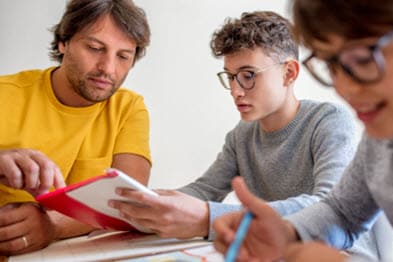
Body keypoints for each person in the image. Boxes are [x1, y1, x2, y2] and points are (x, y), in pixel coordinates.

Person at [213, 0, 393, 261]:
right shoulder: (384, 138)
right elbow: (342, 211)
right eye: (330, 65)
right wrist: (287, 233)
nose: (345, 88)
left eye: (363, 58)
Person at [109, 11, 378, 260]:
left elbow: (326, 203)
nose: (236, 91)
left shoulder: (328, 120)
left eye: (248, 76)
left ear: (289, 73)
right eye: (231, 77)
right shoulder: (241, 135)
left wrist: (208, 217)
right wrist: (149, 204)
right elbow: (205, 190)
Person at [0, 0, 151, 256]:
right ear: (63, 42)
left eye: (123, 56)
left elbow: (130, 202)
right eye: (94, 48)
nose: (108, 68)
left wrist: (52, 226)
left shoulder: (129, 108)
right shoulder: (5, 95)